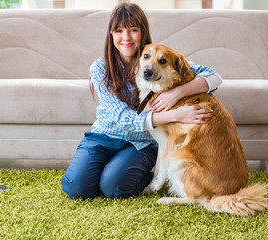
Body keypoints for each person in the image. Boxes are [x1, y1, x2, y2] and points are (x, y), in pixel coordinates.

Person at [61, 2, 222, 199]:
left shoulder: (156, 56)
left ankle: (139, 175)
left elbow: (214, 77)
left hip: (140, 143)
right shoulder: (100, 67)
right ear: (111, 35)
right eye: (118, 30)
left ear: (142, 33)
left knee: (114, 188)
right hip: (103, 136)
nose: (126, 37)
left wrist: (176, 93)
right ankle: (110, 171)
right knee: (76, 188)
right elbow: (123, 118)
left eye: (133, 30)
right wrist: (176, 114)